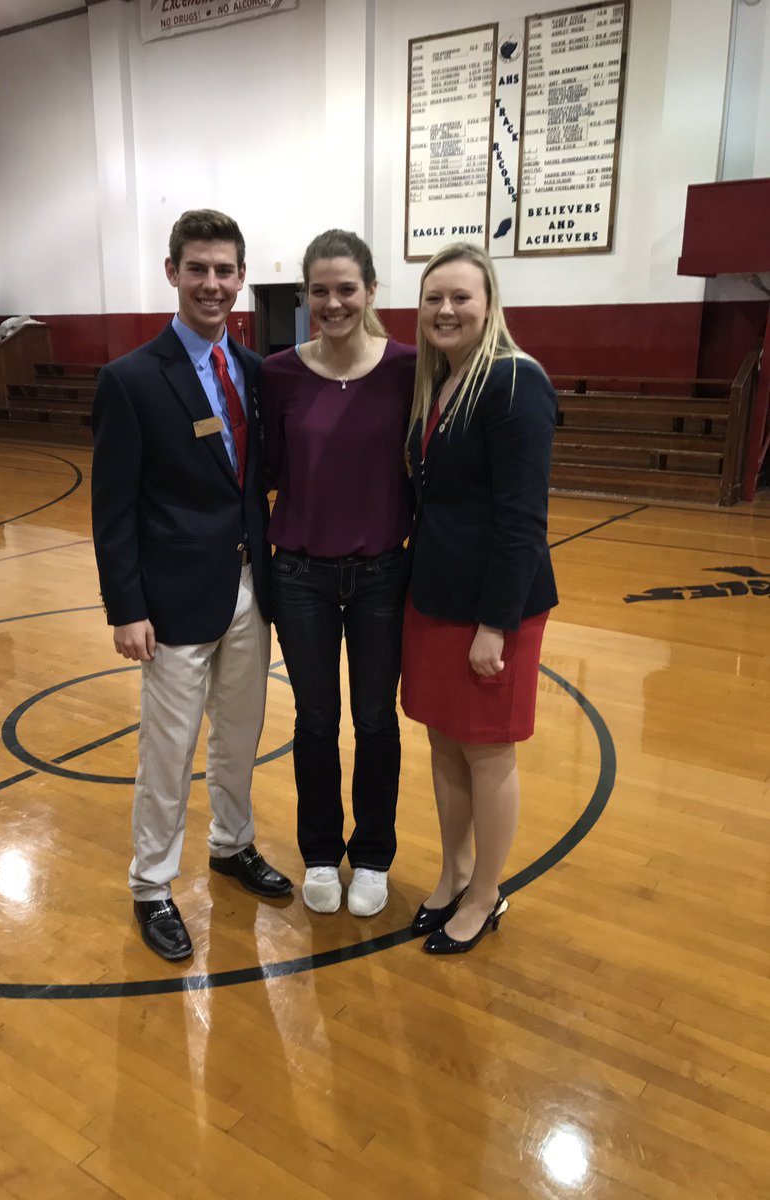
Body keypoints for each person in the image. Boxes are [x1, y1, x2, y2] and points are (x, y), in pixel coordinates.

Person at [90, 208, 292, 964]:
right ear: (172, 271)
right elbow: (112, 507)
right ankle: (151, 885)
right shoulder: (132, 380)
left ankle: (232, 846)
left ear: (241, 279)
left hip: (249, 588)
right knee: (168, 752)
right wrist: (127, 607)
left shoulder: (252, 371)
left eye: (225, 271)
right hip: (172, 601)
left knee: (239, 740)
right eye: (199, 269)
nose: (213, 284)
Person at [401, 242, 558, 954]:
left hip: (495, 607)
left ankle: (489, 893)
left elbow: (523, 518)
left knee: (488, 751)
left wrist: (495, 625)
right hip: (436, 595)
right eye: (434, 297)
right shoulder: (444, 382)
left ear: (489, 303)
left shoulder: (514, 381)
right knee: (443, 742)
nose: (446, 310)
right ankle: (455, 869)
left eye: (461, 297)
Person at [261, 230, 415, 917]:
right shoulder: (278, 374)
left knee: (377, 721)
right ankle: (322, 852)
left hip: (383, 573)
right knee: (316, 721)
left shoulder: (412, 367)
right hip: (300, 577)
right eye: (319, 290)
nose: (333, 302)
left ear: (371, 291)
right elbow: (262, 472)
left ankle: (374, 853)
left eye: (346, 288)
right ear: (305, 296)